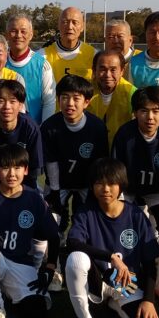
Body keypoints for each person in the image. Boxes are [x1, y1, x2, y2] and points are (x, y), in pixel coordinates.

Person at [65, 158, 159, 318]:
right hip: (96, 281)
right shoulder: (86, 212)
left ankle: (112, 304)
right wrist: (111, 257)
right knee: (76, 258)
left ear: (121, 185)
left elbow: (150, 261)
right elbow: (73, 242)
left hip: (126, 283)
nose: (106, 189)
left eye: (111, 183)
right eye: (99, 183)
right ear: (92, 185)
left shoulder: (136, 215)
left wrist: (149, 300)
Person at [0, 144, 60, 318]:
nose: (12, 174)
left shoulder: (34, 198)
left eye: (17, 167)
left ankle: (9, 290)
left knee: (37, 312)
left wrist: (50, 267)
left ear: (26, 170)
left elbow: (53, 235)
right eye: (5, 167)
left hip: (20, 261)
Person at [109, 85, 159, 307]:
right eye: (144, 111)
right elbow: (117, 175)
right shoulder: (125, 134)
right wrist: (118, 205)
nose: (150, 117)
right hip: (130, 191)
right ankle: (124, 278)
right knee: (124, 232)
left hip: (158, 192)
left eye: (156, 111)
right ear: (135, 112)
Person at [41, 74, 109, 230]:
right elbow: (51, 162)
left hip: (86, 183)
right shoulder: (49, 127)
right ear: (58, 99)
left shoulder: (97, 127)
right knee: (49, 220)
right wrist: (55, 191)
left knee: (87, 221)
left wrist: (93, 188)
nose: (70, 103)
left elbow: (100, 163)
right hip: (58, 182)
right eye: (64, 97)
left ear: (86, 102)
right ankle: (58, 237)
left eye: (76, 98)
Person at [0, 79, 43, 194]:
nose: (7, 107)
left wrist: (20, 193)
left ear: (21, 105)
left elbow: (34, 168)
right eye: (1, 101)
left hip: (23, 183)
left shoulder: (31, 128)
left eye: (12, 101)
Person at [5, 13, 56, 124]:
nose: (18, 35)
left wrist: (43, 130)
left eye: (23, 31)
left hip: (33, 130)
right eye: (13, 31)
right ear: (7, 35)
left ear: (31, 35)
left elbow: (49, 102)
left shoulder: (42, 65)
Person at [88, 49, 135, 147]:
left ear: (122, 71)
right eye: (102, 69)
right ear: (94, 70)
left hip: (120, 148)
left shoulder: (132, 93)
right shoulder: (85, 91)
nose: (108, 75)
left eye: (113, 70)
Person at [41, 6, 96, 88]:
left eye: (75, 22)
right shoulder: (42, 56)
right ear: (58, 25)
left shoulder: (94, 55)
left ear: (82, 27)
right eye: (65, 22)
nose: (70, 27)